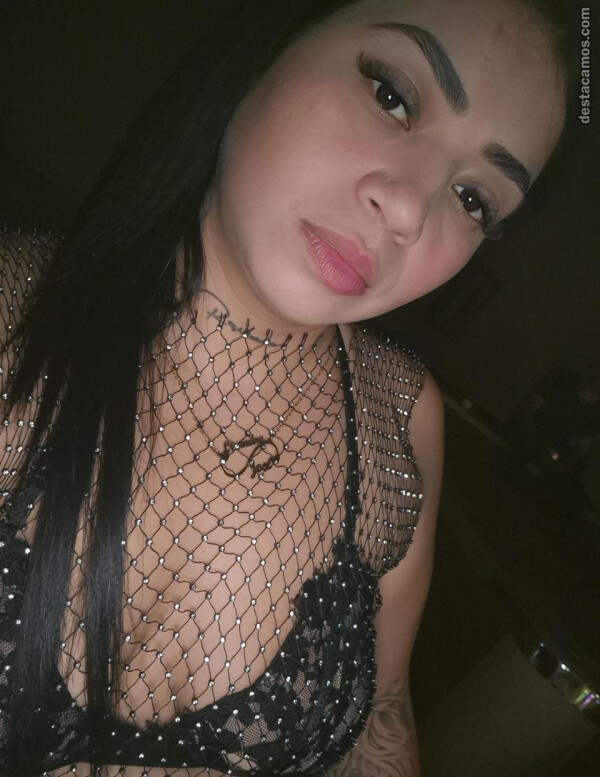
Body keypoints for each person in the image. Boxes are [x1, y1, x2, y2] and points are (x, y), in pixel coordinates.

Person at [0, 0, 568, 774]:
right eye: (393, 96)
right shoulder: (15, 315)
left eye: (475, 199)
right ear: (272, 42)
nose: (409, 209)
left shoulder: (402, 423)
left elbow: (383, 714)